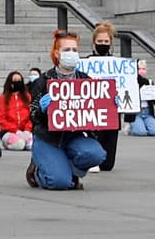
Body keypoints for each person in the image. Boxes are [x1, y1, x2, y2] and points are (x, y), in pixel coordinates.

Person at [28, 29, 107, 189]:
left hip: (74, 137)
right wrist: (42, 109)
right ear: (57, 54)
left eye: (75, 50)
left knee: (96, 154)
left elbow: (95, 114)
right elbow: (32, 115)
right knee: (59, 183)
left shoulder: (85, 80)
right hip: (48, 139)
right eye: (67, 50)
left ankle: (68, 169)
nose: (72, 53)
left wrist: (110, 104)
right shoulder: (43, 81)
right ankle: (37, 171)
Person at [88, 20, 125, 170]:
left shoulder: (118, 65)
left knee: (107, 165)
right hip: (93, 111)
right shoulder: (87, 63)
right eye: (99, 41)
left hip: (111, 111)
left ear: (111, 43)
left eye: (105, 41)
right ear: (94, 42)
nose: (102, 44)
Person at [0, 70, 35, 150]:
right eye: (15, 80)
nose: (17, 83)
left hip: (25, 131)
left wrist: (27, 130)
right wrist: (16, 131)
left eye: (19, 80)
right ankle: (8, 142)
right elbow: (2, 120)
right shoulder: (3, 98)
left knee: (32, 145)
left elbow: (31, 116)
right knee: (19, 145)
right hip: (8, 131)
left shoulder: (27, 97)